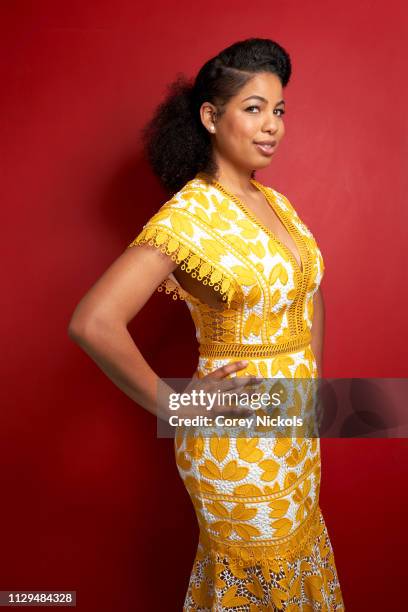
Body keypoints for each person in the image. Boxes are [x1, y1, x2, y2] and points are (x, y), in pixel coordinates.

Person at [68, 37, 345, 611]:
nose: (272, 125)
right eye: (254, 108)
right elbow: (94, 321)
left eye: (279, 110)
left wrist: (313, 391)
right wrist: (177, 406)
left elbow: (308, 292)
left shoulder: (276, 203)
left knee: (297, 570)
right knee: (256, 583)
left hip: (295, 431)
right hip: (236, 440)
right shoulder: (190, 215)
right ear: (210, 117)